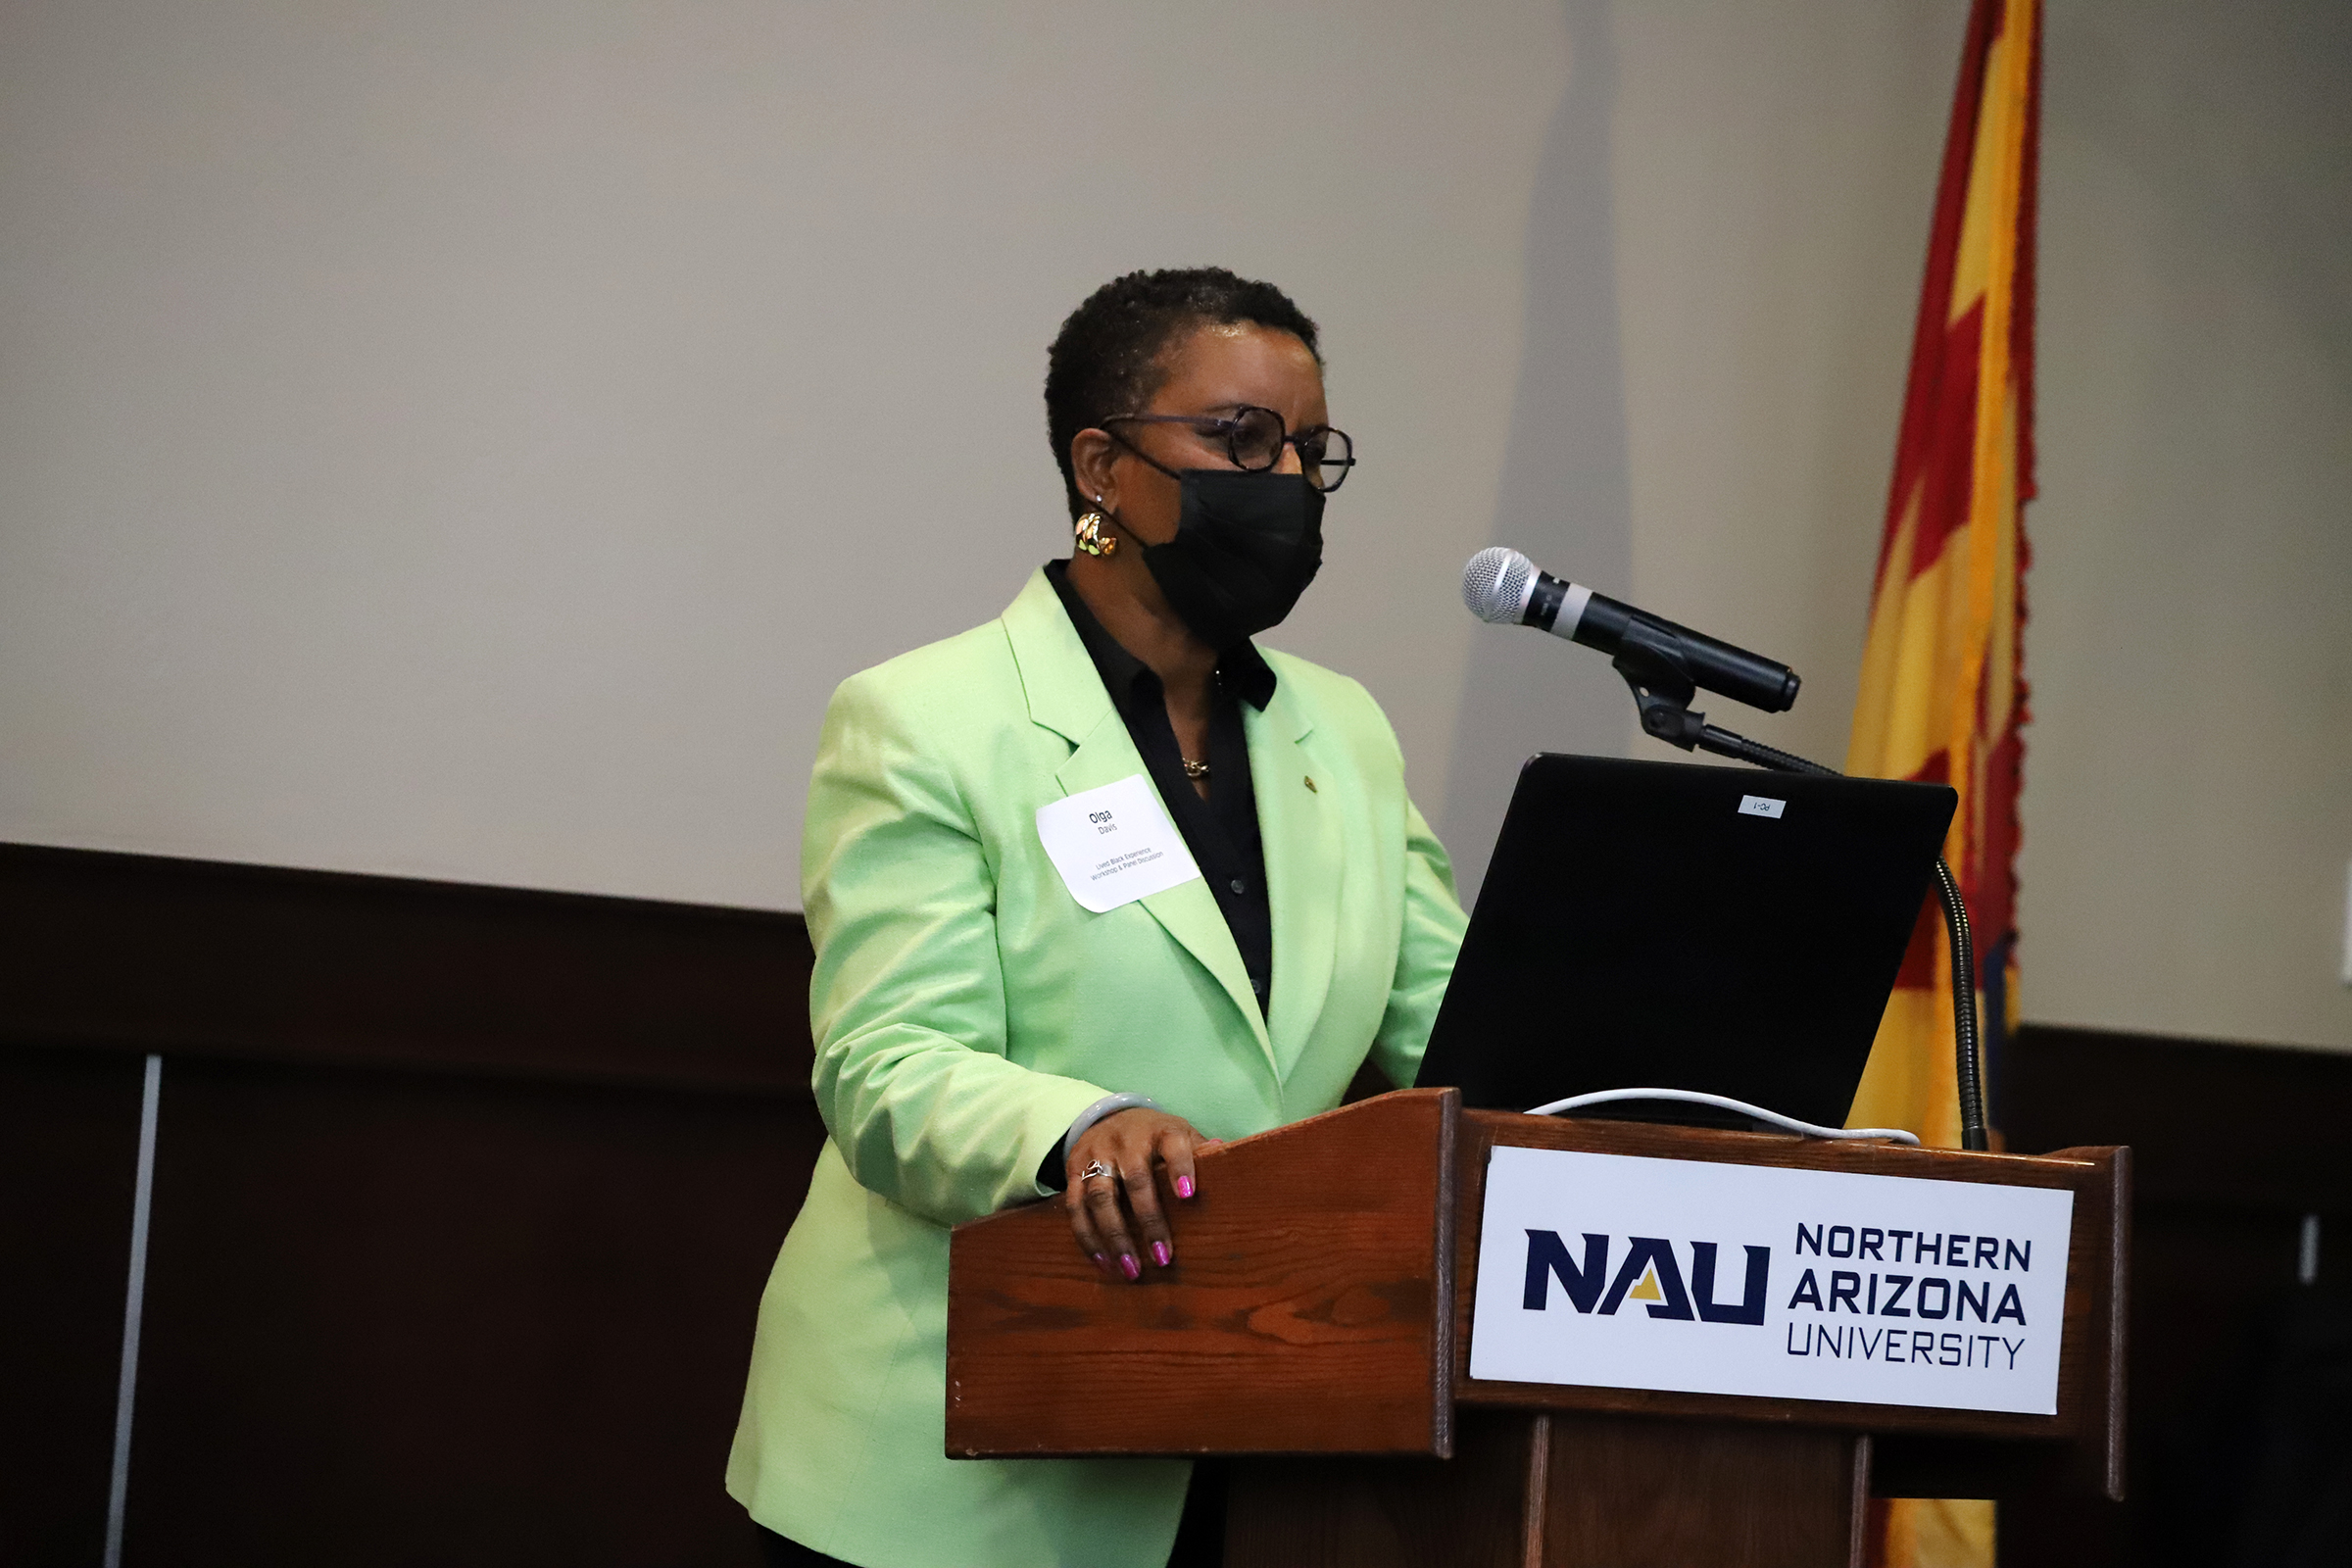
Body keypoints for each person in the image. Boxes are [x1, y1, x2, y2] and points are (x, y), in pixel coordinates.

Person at [726, 267, 1467, 1568]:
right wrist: (1078, 1127)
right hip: (951, 1458)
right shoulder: (929, 719)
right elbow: (885, 1067)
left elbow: (1460, 1031)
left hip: (1253, 1445)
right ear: (1102, 467)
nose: (1285, 481)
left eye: (1309, 451)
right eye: (1241, 439)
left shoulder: (1341, 732)